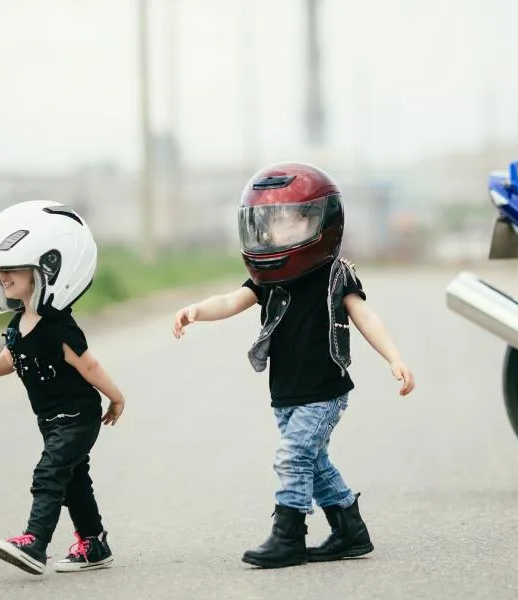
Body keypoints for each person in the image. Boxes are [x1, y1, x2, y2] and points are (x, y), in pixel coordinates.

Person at [171, 162, 415, 569]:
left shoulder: (334, 275)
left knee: (292, 457)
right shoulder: (268, 278)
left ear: (319, 224)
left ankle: (289, 536)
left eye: (286, 223)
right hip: (286, 394)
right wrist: (196, 311)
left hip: (324, 392)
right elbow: (232, 301)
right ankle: (349, 531)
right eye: (268, 223)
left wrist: (395, 358)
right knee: (314, 463)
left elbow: (366, 317)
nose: (274, 233)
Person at [0, 200, 126, 576]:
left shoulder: (59, 326)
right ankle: (94, 544)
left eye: (11, 267)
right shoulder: (18, 323)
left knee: (49, 473)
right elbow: (9, 361)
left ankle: (35, 542)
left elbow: (89, 365)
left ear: (47, 268)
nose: (1, 274)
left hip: (78, 416)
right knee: (74, 480)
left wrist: (116, 397)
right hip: (52, 421)